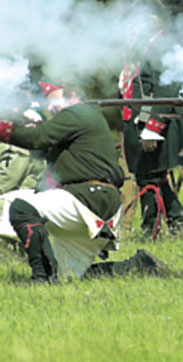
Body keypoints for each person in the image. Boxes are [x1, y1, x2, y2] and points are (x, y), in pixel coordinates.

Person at [0, 83, 165, 282]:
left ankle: (41, 278)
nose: (50, 107)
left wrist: (6, 129)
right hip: (97, 201)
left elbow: (37, 138)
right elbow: (41, 146)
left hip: (87, 198)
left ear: (74, 94)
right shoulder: (79, 118)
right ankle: (137, 265)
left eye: (53, 99)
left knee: (21, 208)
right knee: (70, 277)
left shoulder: (77, 113)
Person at [119, 0, 183, 238]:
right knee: (147, 175)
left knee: (152, 175)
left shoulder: (165, 43)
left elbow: (166, 87)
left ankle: (154, 227)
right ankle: (170, 223)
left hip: (156, 118)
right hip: (138, 115)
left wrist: (153, 125)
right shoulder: (142, 45)